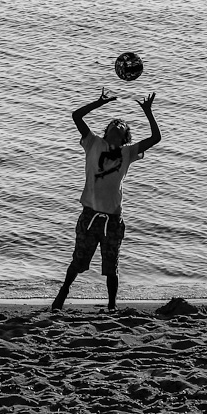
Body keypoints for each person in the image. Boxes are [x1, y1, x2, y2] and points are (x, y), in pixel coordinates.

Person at [51, 87, 162, 312]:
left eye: (121, 127)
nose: (117, 126)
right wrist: (100, 102)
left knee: (111, 267)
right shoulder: (93, 143)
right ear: (107, 130)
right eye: (114, 124)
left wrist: (148, 112)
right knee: (78, 262)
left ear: (125, 137)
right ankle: (62, 296)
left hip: (113, 219)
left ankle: (112, 306)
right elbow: (76, 116)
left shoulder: (127, 153)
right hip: (90, 215)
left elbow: (156, 138)